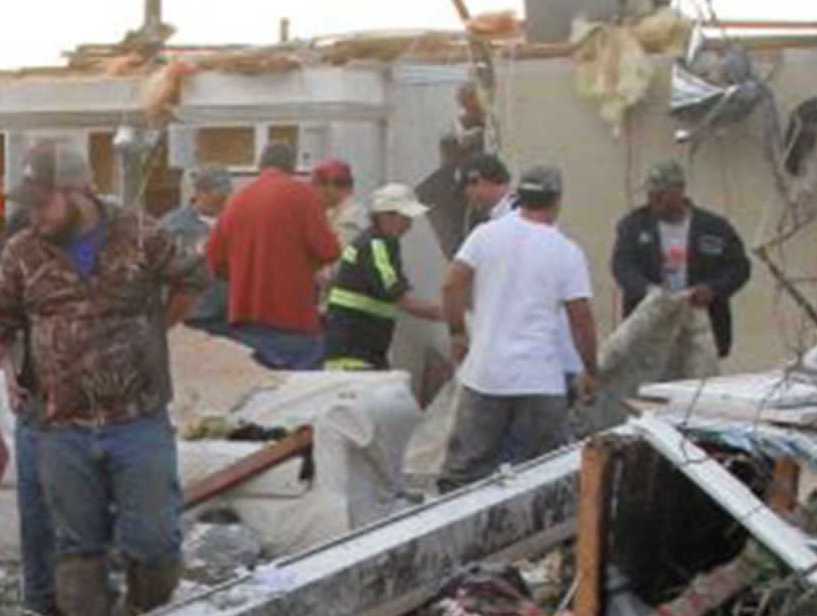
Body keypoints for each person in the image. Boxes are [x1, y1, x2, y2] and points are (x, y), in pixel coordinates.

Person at [0, 140, 206, 616]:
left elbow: (193, 277)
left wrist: (155, 328)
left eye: (43, 202)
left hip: (137, 420)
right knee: (77, 549)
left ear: (79, 193)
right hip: (61, 427)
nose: (34, 215)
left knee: (156, 541)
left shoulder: (139, 234)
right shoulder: (23, 252)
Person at [438, 165, 598, 491]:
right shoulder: (566, 251)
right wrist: (591, 369)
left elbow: (451, 284)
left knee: (464, 475)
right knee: (542, 477)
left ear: (519, 196)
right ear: (556, 201)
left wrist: (457, 333)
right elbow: (580, 319)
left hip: (485, 376)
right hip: (539, 380)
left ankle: (466, 538)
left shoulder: (485, 234)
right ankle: (536, 541)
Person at [208, 141, 340, 369]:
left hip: (246, 322)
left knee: (258, 397)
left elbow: (213, 261)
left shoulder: (236, 201)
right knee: (301, 398)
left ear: (260, 166)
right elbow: (329, 250)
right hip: (295, 320)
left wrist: (244, 275)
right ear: (292, 168)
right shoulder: (303, 196)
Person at [610, 160, 752, 362]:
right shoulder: (633, 225)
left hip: (701, 325)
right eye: (650, 194)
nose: (653, 200)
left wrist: (713, 289)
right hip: (650, 328)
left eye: (660, 195)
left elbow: (739, 268)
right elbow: (622, 266)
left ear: (680, 190)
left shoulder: (714, 228)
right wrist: (647, 290)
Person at [322, 184, 441, 370]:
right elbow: (401, 300)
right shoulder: (376, 246)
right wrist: (453, 315)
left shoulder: (379, 243)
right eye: (406, 217)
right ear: (386, 215)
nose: (410, 225)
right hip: (353, 352)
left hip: (363, 349)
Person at [158, 164, 233, 335]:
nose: (222, 201)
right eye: (216, 196)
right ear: (199, 192)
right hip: (191, 321)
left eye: (225, 196)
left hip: (229, 319)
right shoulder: (172, 225)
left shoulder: (236, 222)